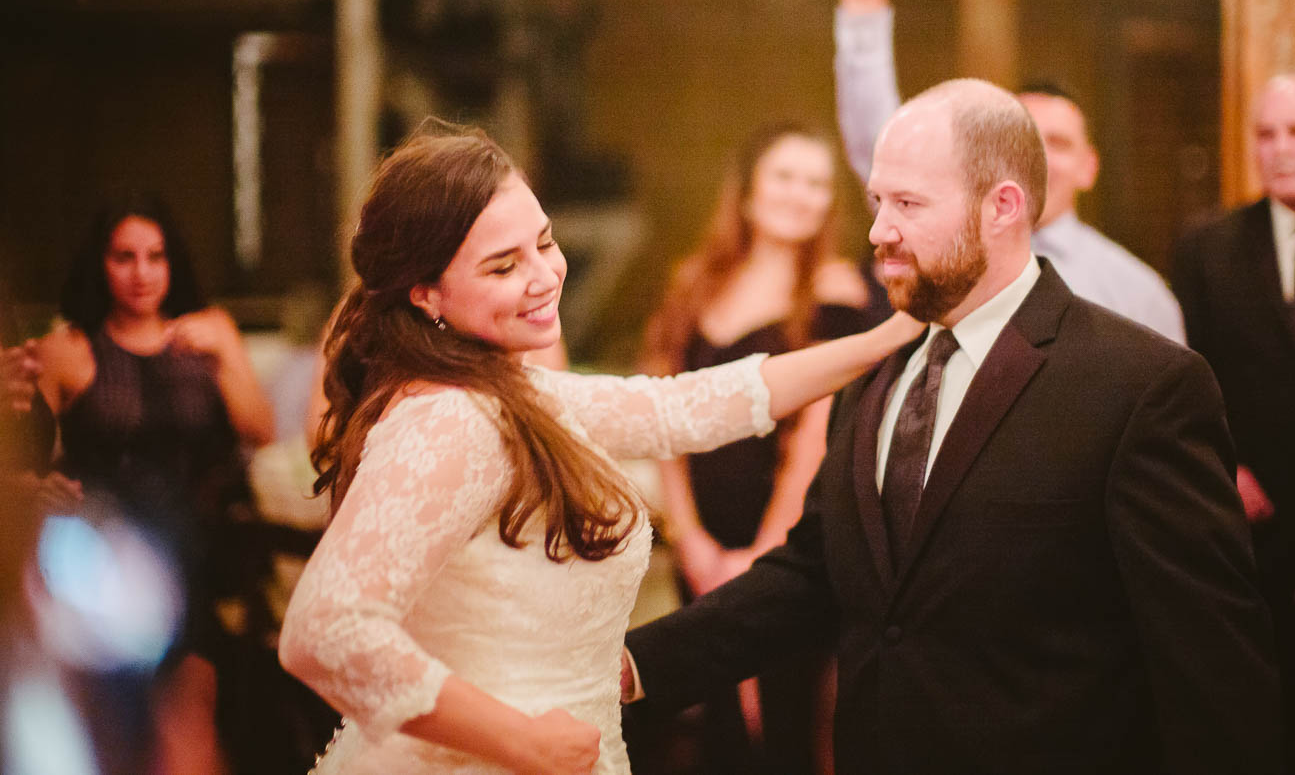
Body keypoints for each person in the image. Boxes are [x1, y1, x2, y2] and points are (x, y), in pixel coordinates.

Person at [624, 79, 1280, 774]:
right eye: (879, 202)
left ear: (1002, 207)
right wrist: (637, 667)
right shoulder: (875, 365)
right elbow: (816, 569)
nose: (879, 230)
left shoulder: (1141, 386)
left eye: (908, 204)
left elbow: (1212, 666)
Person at [276, 123, 920, 775]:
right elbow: (323, 633)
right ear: (426, 294)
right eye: (503, 265)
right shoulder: (448, 420)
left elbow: (687, 405)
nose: (543, 276)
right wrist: (520, 742)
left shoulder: (513, 391)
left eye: (545, 243)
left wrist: (890, 336)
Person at [831, 0, 1185, 343]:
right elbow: (877, 140)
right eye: (1022, 140)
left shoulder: (1138, 294)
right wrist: (863, 5)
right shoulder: (934, 241)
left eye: (1056, 143)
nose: (1036, 157)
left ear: (1089, 166)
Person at [639, 123, 870, 774]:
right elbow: (661, 413)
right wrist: (688, 537)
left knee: (783, 724)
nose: (801, 194)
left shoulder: (835, 293)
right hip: (701, 547)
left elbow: (817, 439)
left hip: (789, 550)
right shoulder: (693, 283)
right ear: (747, 191)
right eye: (786, 177)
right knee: (716, 724)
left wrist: (765, 553)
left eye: (817, 183)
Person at [28, 192, 277, 775]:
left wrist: (228, 354)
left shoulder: (207, 333)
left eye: (155, 257)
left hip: (197, 551)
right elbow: (25, 458)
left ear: (173, 263)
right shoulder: (69, 349)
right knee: (124, 721)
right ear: (100, 264)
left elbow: (260, 430)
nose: (141, 273)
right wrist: (40, 486)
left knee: (186, 713)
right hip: (101, 554)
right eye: (124, 257)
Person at [1171, 72, 1295, 769]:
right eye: (1265, 134)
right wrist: (1227, 470)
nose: (1279, 149)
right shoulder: (1207, 247)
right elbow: (1185, 379)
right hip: (1254, 530)